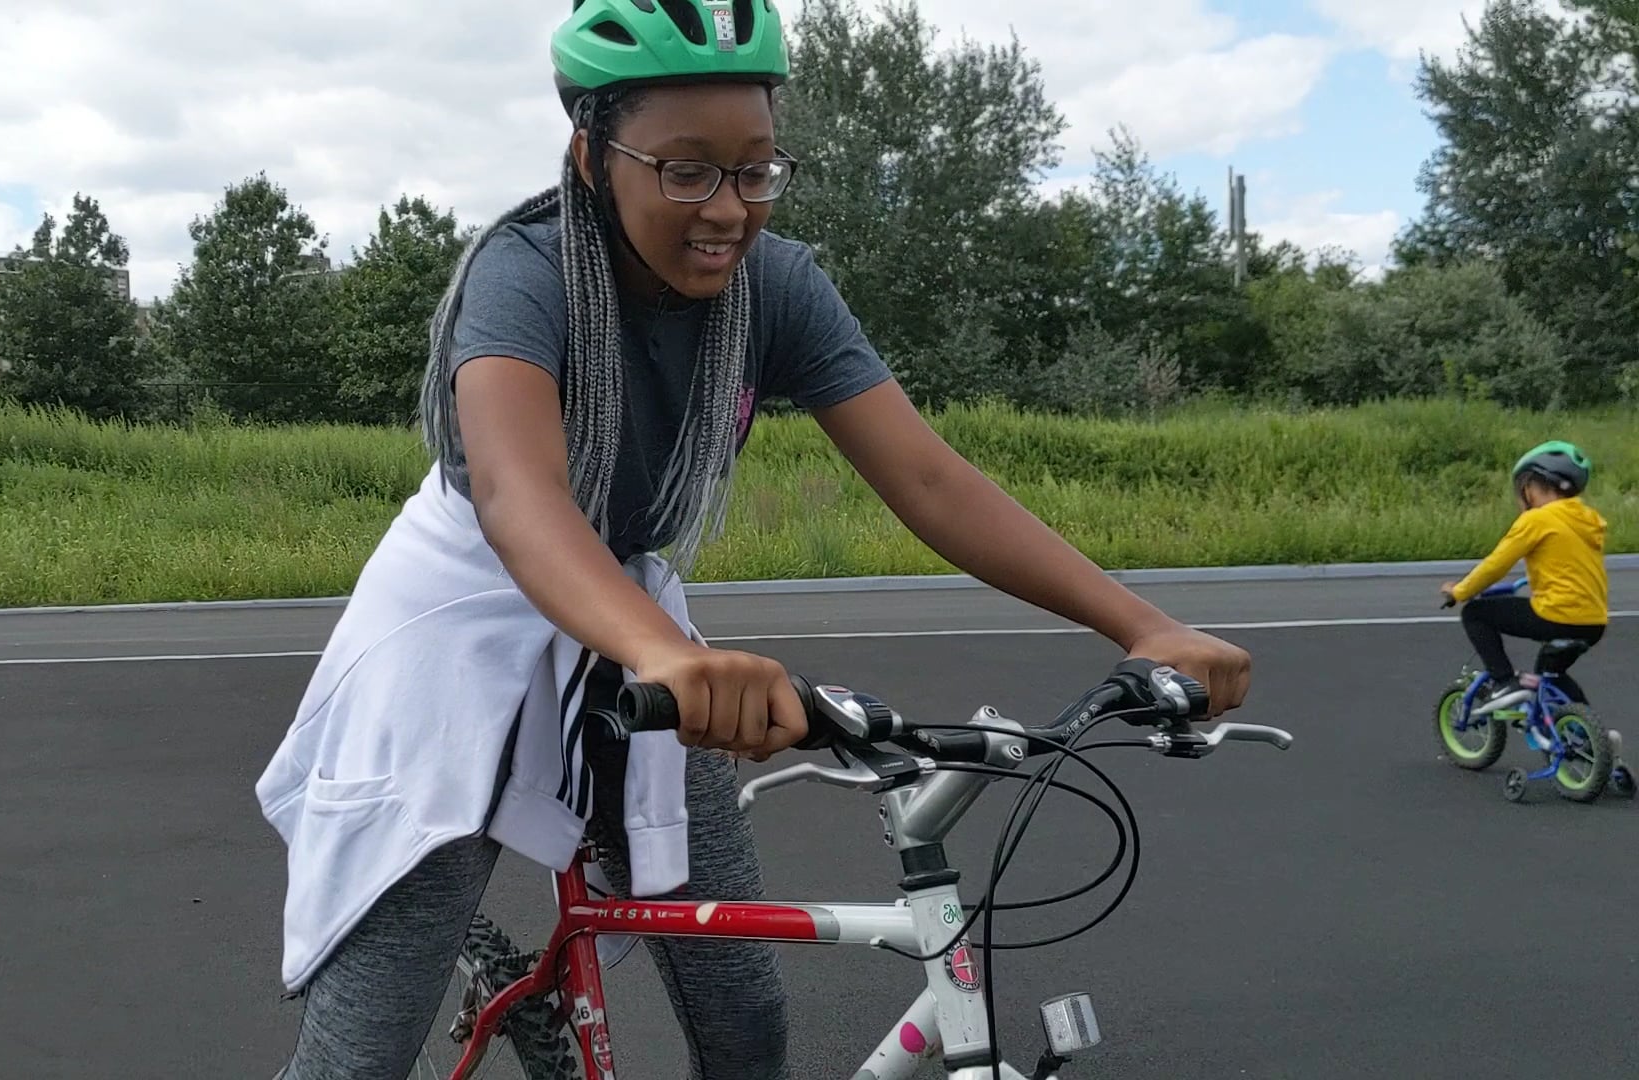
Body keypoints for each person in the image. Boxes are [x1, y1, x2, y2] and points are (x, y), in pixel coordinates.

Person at [259, 2, 1252, 1077]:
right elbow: (515, 492)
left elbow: (926, 476)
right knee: (363, 1049)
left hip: (632, 620)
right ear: (592, 153)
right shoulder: (526, 270)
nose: (729, 208)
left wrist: (1141, 624)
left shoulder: (775, 287)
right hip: (461, 626)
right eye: (685, 171)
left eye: (757, 170)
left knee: (745, 1017)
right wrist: (669, 656)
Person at [1440, 440, 1608, 707]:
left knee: (1476, 614)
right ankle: (1591, 738)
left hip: (1557, 614)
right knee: (1551, 674)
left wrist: (1460, 591)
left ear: (1531, 486)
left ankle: (1504, 681)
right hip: (1594, 621)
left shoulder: (1538, 519)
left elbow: (1496, 564)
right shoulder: (1587, 520)